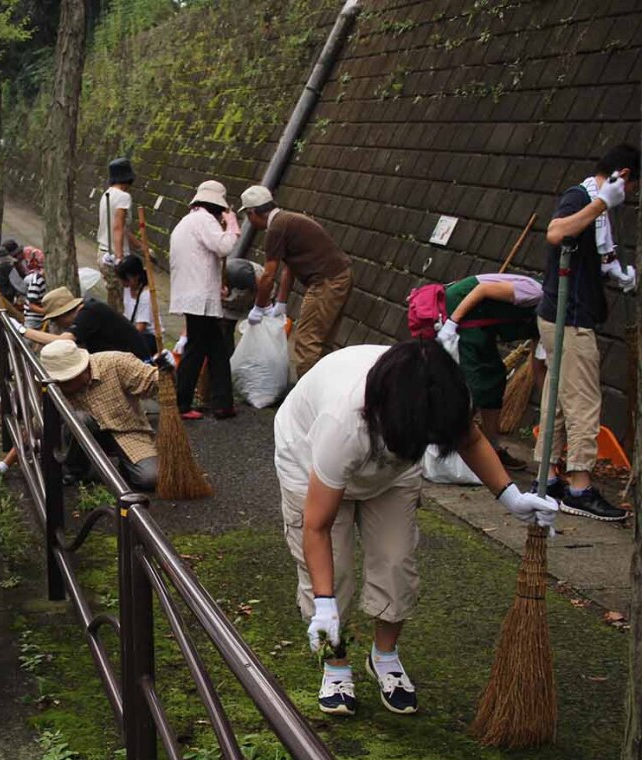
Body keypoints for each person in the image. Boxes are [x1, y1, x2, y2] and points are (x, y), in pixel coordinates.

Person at [275, 341, 557, 717]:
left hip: (393, 471)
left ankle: (384, 656)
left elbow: (469, 438)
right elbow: (317, 526)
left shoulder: (439, 394)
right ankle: (336, 663)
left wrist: (511, 498)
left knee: (396, 562)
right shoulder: (343, 423)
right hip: (309, 462)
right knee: (330, 576)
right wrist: (324, 606)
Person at [534, 143, 639, 522]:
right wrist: (599, 205)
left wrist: (615, 273)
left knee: (558, 400)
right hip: (570, 318)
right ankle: (580, 487)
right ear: (623, 176)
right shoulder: (582, 199)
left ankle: (546, 479)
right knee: (583, 403)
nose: (630, 197)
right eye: (632, 188)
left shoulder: (597, 208)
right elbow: (556, 232)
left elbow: (592, 251)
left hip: (563, 313)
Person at [241, 185, 352, 378]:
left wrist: (258, 308)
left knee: (306, 341)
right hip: (340, 275)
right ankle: (322, 388)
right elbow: (289, 266)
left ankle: (305, 396)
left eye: (247, 216)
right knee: (322, 341)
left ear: (252, 212)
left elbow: (268, 275)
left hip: (327, 281)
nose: (249, 221)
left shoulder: (276, 228)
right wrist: (282, 303)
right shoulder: (287, 221)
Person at [434, 274, 542, 471]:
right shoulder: (534, 293)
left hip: (481, 323)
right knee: (475, 382)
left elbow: (539, 364)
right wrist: (452, 322)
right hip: (461, 309)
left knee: (494, 376)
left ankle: (491, 447)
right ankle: (453, 445)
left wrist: (547, 403)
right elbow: (482, 290)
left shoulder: (550, 320)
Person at [39, 339, 166, 491]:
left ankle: (127, 466)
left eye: (67, 381)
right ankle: (76, 470)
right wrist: (10, 459)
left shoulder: (116, 362)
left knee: (151, 478)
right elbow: (40, 420)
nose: (64, 386)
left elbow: (153, 382)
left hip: (127, 430)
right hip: (83, 433)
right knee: (79, 419)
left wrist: (166, 372)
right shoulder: (53, 387)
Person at [169, 180, 241, 420]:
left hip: (195, 295)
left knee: (216, 349)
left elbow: (199, 261)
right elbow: (223, 247)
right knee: (197, 350)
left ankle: (223, 403)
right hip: (199, 299)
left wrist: (214, 285)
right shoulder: (204, 220)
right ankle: (182, 402)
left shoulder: (187, 221)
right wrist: (232, 226)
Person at [15, 286, 151, 360]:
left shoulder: (89, 313)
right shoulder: (89, 309)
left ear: (63, 314)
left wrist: (23, 330)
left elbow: (63, 341)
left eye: (55, 320)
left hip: (134, 363)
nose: (57, 325)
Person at [96, 158, 144, 312]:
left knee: (114, 301)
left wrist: (140, 246)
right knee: (121, 307)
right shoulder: (124, 197)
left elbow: (122, 228)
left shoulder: (106, 195)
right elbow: (117, 228)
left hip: (102, 253)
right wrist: (119, 259)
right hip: (114, 257)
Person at [115, 255, 158, 354]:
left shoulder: (146, 295)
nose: (123, 283)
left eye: (126, 279)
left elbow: (140, 327)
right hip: (132, 331)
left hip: (148, 337)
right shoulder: (127, 289)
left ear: (136, 276)